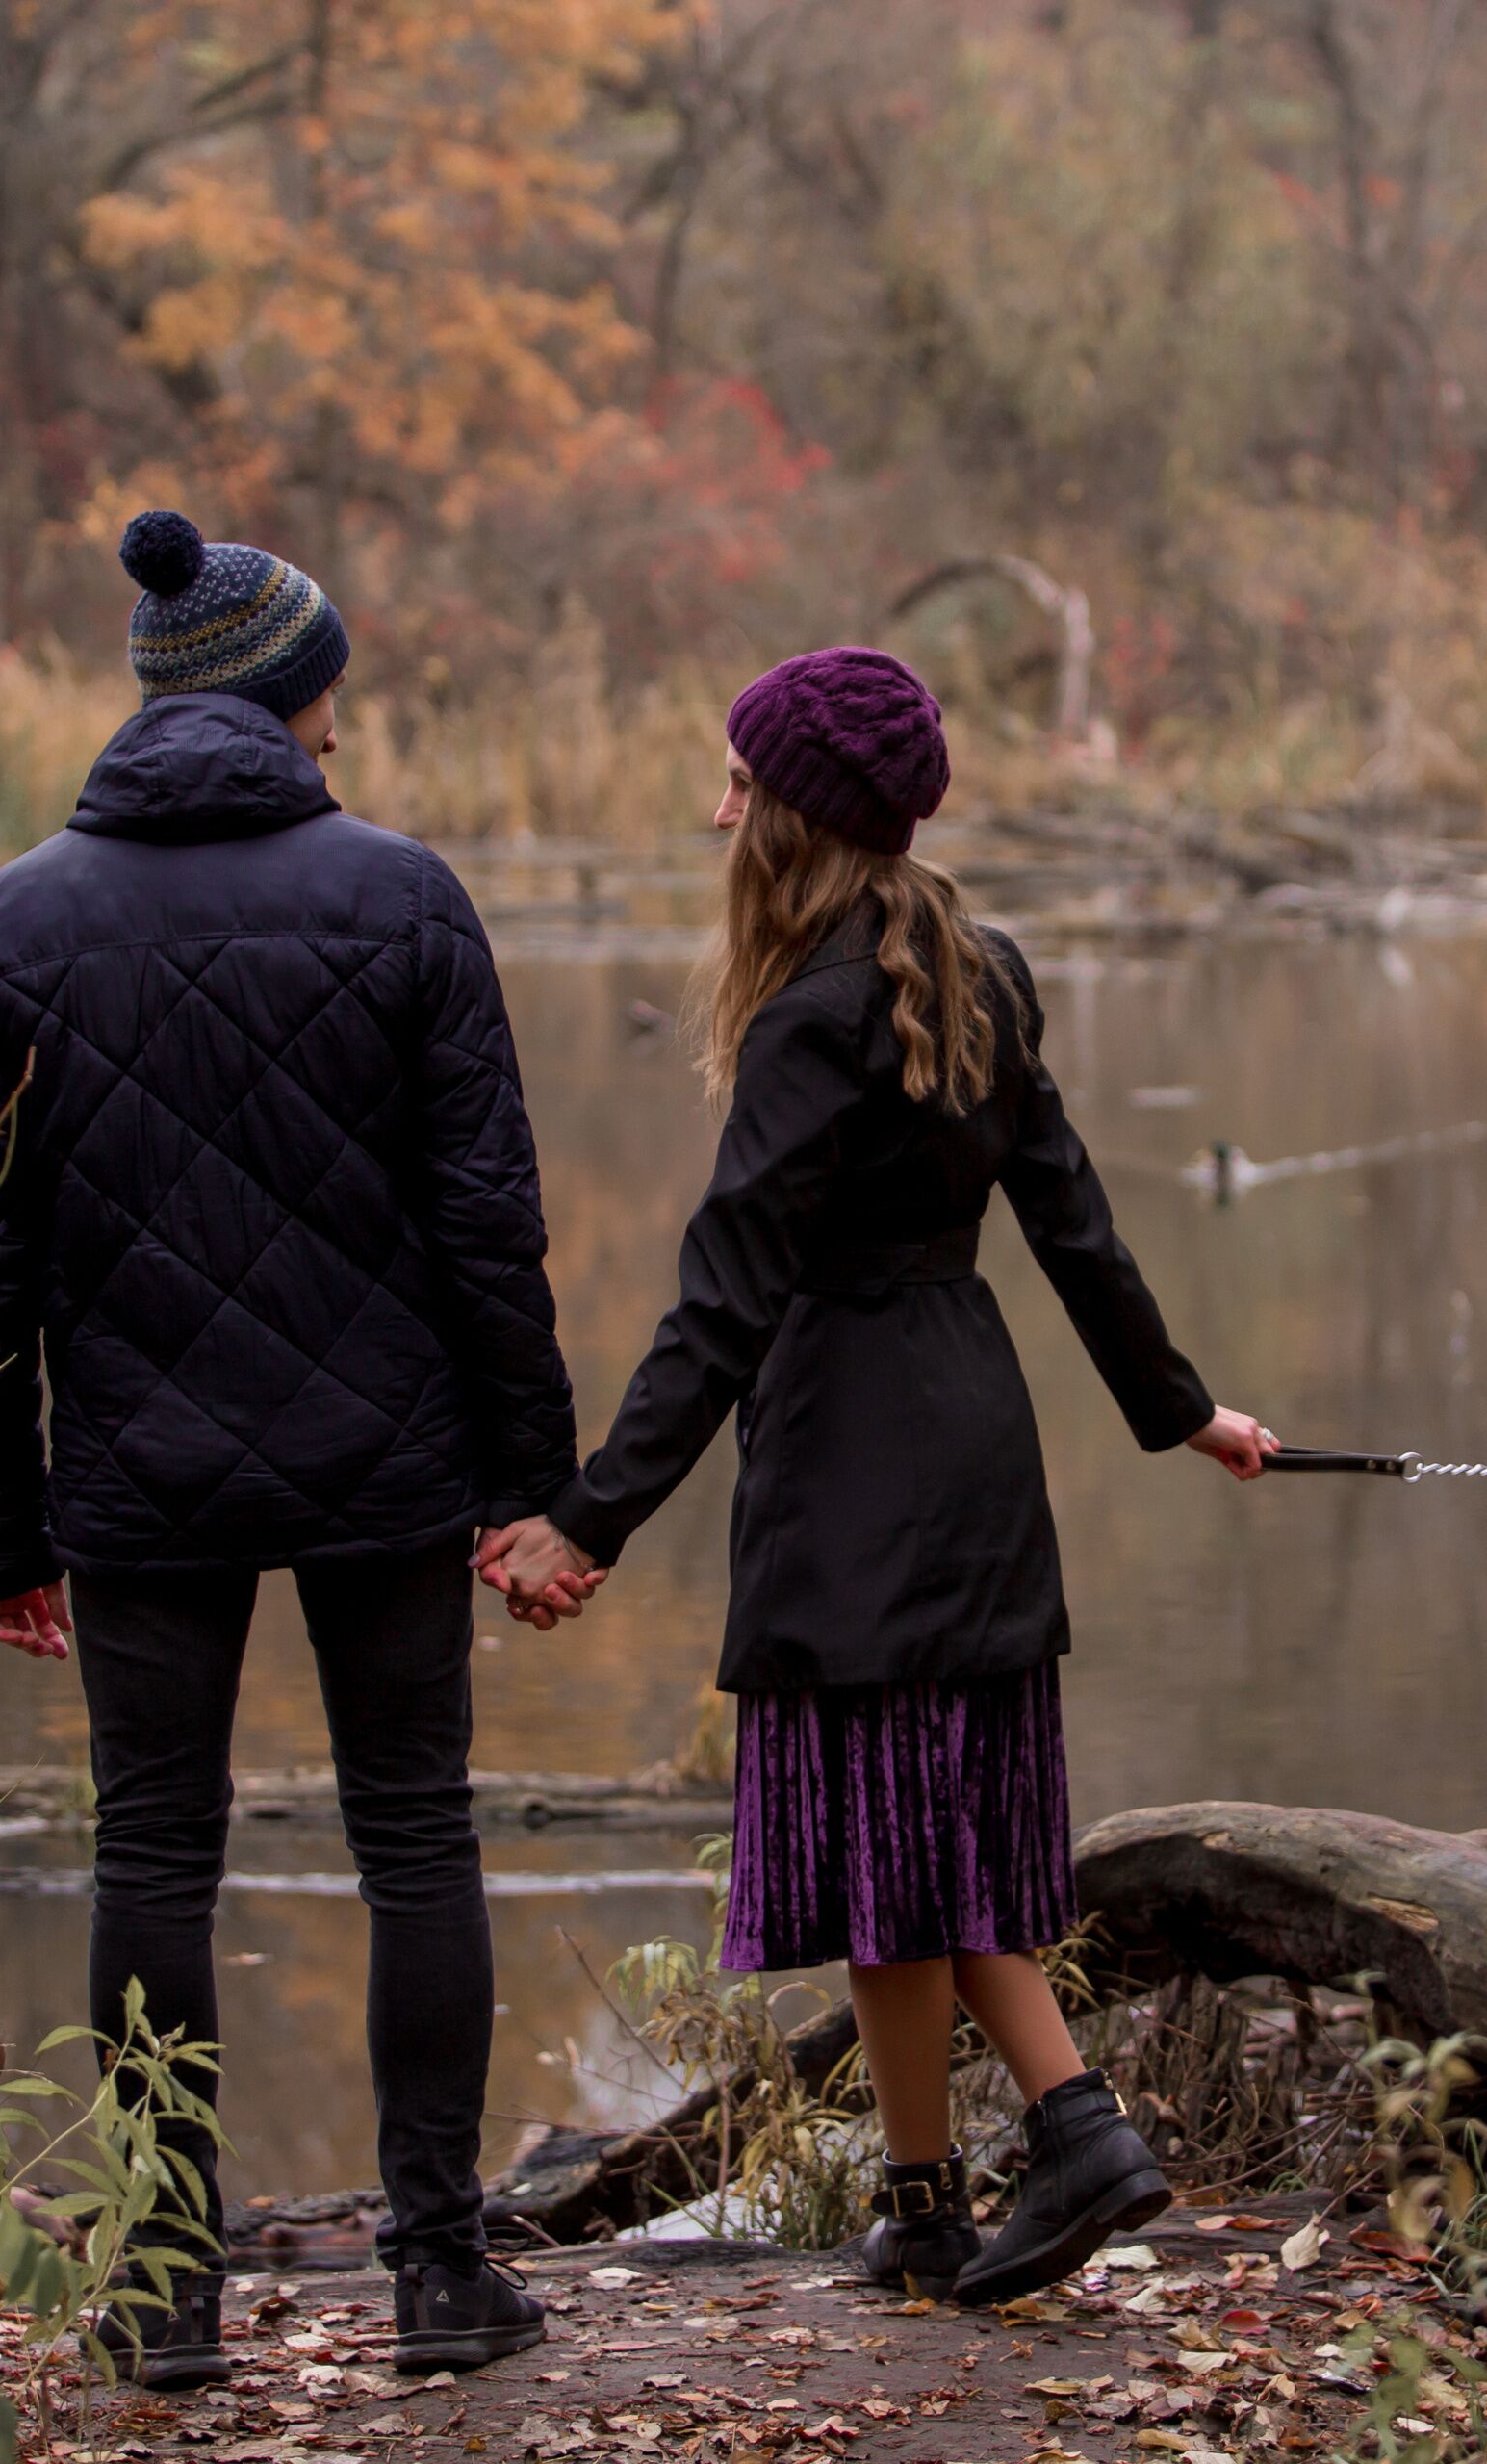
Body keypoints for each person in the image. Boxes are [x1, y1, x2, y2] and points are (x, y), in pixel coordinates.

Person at [477, 647, 1273, 2305]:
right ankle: (922, 2208)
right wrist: (1181, 1412)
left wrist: (587, 1516)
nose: (717, 811)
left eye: (738, 784)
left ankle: (1079, 2132)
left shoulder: (809, 1019)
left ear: (797, 820)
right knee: (901, 1846)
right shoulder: (980, 966)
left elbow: (724, 1296)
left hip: (853, 1459)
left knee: (906, 1848)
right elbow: (1074, 1227)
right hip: (971, 1438)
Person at [0, 510, 576, 2390]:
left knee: (152, 1849)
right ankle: (443, 2275)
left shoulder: (13, 921)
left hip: (136, 1470)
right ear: (283, 701)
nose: (344, 735)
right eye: (330, 702)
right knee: (414, 1834)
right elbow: (486, 1223)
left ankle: (162, 2288)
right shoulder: (405, 898)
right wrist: (526, 1475)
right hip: (387, 1452)